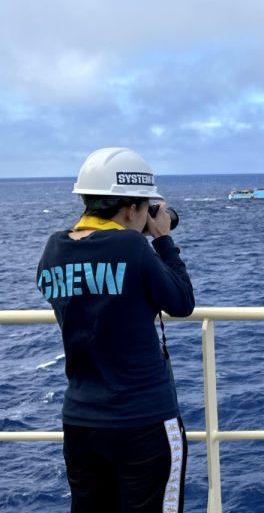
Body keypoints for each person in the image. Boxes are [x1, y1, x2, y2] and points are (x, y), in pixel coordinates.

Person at [36, 147, 195, 513]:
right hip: (143, 420)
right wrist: (163, 240)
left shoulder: (53, 248)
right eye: (145, 209)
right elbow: (182, 302)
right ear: (130, 209)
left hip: (80, 421)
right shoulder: (132, 247)